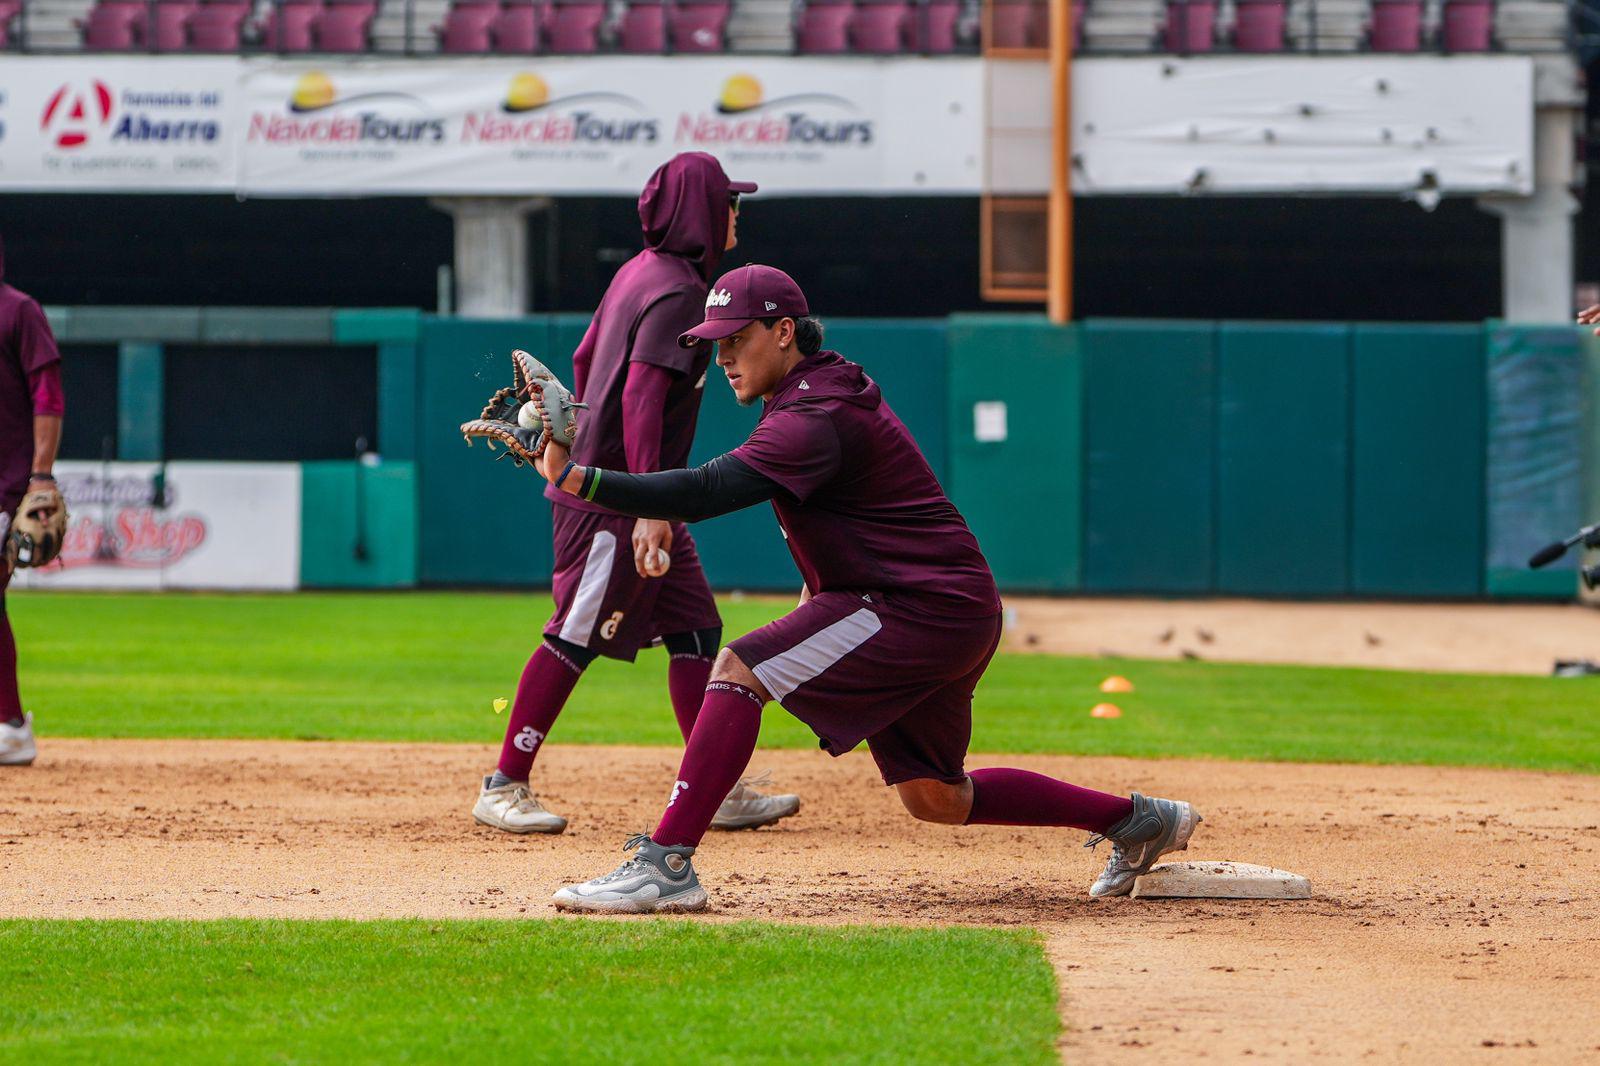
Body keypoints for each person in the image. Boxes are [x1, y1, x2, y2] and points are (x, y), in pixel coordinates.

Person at [526, 264, 1203, 912]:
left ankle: (666, 864)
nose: (722, 357)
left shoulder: (811, 415)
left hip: (916, 605)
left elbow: (704, 491)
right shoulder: (815, 393)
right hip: (948, 606)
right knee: (936, 797)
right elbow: (854, 516)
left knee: (739, 668)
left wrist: (578, 478)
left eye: (736, 340)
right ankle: (1138, 821)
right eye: (714, 344)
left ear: (784, 330)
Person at [472, 153, 800, 835]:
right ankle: (505, 783)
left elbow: (589, 365)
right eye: (728, 200)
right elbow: (643, 396)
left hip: (634, 491)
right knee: (575, 633)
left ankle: (717, 786)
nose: (735, 212)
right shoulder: (679, 288)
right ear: (702, 209)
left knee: (696, 629)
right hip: (613, 498)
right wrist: (651, 504)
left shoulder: (639, 273)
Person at [0, 233, 65, 767]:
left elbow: (48, 395)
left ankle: (12, 725)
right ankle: (11, 724)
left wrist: (40, 477)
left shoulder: (19, 311)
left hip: (4, 484)